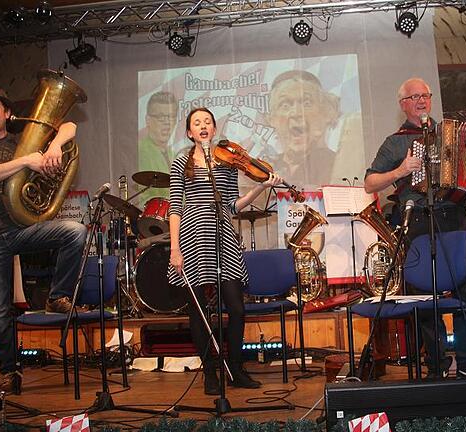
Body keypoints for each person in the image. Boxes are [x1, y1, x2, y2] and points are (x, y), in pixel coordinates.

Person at [364, 77, 466, 379]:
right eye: (414, 97)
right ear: (403, 105)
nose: (421, 101)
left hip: (455, 218)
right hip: (419, 220)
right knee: (424, 297)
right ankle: (436, 366)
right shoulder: (395, 142)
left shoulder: (453, 136)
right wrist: (401, 170)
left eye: (425, 95)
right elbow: (370, 183)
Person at [0, 85, 88, 394]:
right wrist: (25, 162)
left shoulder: (21, 140)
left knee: (75, 232)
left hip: (21, 229)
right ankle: (10, 370)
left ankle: (57, 296)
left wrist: (55, 146)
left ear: (6, 112)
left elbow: (69, 125)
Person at [168, 107, 282, 393]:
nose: (203, 126)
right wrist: (174, 248)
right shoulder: (180, 162)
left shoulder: (228, 164)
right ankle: (209, 374)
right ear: (189, 132)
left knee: (236, 307)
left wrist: (260, 188)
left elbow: (232, 205)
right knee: (199, 313)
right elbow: (175, 207)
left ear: (214, 130)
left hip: (223, 235)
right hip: (192, 237)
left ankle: (235, 369)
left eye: (208, 122)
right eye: (197, 122)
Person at [266, 70, 340, 186]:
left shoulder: (339, 166)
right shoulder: (267, 168)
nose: (296, 113)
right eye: (285, 105)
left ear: (325, 113)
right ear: (272, 120)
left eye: (307, 103)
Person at [138, 91, 178, 202]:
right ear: (148, 120)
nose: (167, 123)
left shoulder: (174, 154)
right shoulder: (140, 151)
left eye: (171, 117)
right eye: (161, 117)